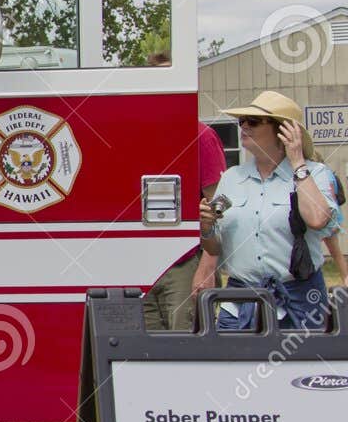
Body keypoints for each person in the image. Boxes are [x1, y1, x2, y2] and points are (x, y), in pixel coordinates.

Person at [199, 90, 341, 331]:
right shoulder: (232, 178)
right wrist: (207, 228)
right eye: (241, 121)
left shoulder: (315, 173)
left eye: (253, 121)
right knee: (230, 357)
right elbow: (214, 248)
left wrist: (297, 162)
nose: (244, 126)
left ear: (283, 131)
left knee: (302, 358)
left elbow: (318, 219)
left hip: (299, 303)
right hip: (239, 303)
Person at [143, 120, 225, 331]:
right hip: (142, 264)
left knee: (187, 341)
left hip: (186, 262)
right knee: (143, 346)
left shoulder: (201, 135)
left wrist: (207, 267)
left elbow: (219, 207)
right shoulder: (135, 134)